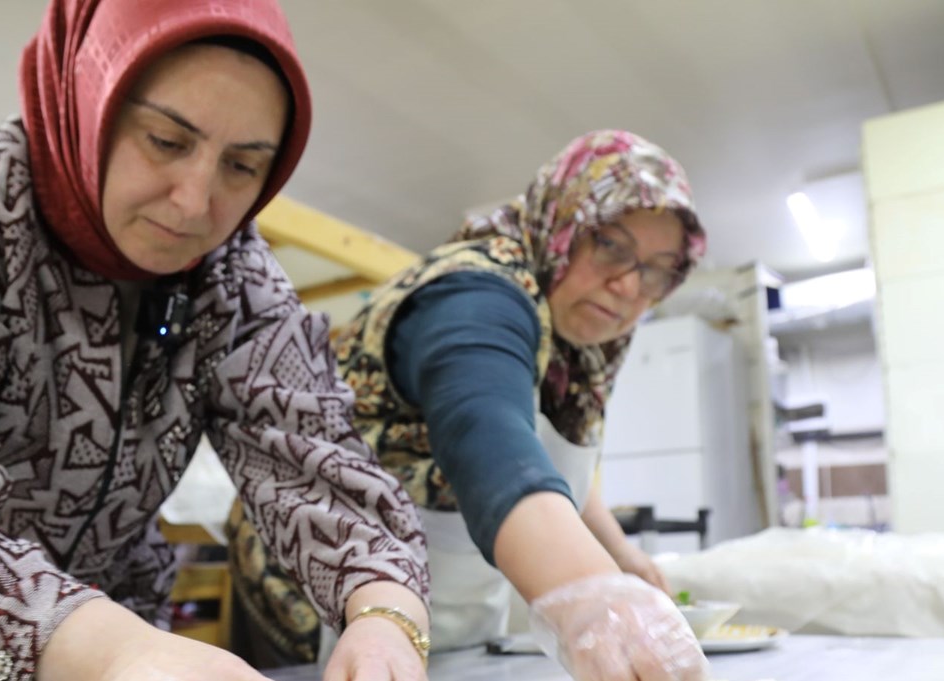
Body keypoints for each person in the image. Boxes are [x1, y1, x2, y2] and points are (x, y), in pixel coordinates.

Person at [0, 1, 433, 679]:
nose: (195, 202)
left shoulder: (233, 278)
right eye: (166, 142)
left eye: (242, 167)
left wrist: (385, 616)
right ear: (92, 99)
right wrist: (115, 650)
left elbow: (314, 454)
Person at [232, 130, 711, 680]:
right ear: (562, 224)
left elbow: (554, 459)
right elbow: (487, 435)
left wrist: (620, 556)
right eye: (610, 244)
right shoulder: (477, 296)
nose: (629, 284)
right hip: (321, 585)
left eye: (657, 268)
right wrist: (595, 595)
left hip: (451, 607)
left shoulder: (578, 353)